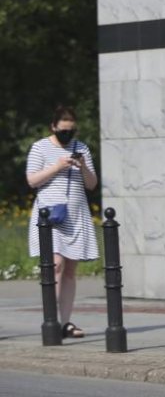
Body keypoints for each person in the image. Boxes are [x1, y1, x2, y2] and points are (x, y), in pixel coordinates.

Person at [26, 105, 98, 339]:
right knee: (55, 265)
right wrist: (57, 166)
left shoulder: (81, 148)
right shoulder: (40, 147)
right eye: (63, 130)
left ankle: (66, 322)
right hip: (50, 215)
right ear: (53, 127)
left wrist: (83, 166)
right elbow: (32, 180)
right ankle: (52, 320)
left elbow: (91, 184)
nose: (67, 134)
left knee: (70, 269)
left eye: (71, 130)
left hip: (76, 214)